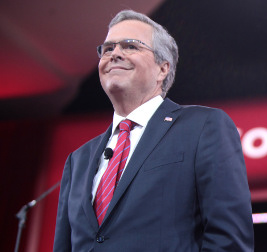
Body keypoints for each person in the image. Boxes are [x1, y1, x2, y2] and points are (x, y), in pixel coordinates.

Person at [53, 9, 254, 251]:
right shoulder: (78, 160)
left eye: (130, 46)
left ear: (163, 69)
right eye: (108, 48)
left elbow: (229, 240)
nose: (115, 54)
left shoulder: (203, 126)